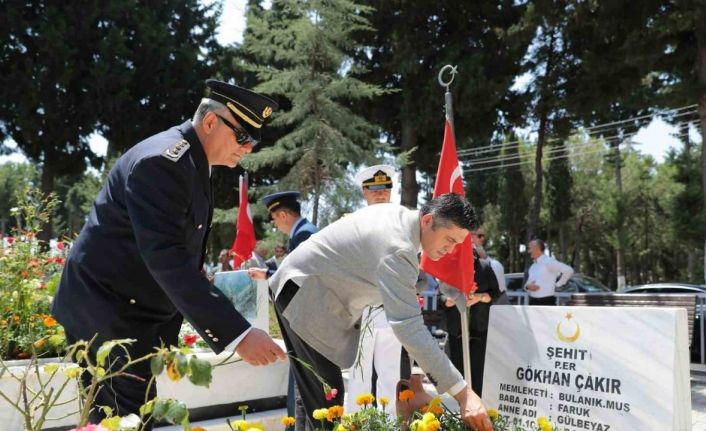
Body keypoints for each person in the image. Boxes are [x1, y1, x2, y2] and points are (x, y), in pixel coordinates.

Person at [51, 79, 286, 428]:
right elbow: (166, 256)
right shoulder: (164, 161)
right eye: (243, 137)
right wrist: (238, 334)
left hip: (122, 311)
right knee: (125, 420)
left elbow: (175, 252)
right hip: (108, 314)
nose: (249, 148)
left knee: (114, 421)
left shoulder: (189, 161)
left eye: (254, 140)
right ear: (210, 123)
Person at [270, 193, 492, 431]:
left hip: (300, 289)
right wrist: (463, 394)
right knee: (326, 400)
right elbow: (409, 328)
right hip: (305, 296)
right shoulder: (397, 246)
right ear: (428, 221)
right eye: (448, 239)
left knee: (317, 397)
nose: (449, 250)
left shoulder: (398, 218)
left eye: (457, 244)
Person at [248, 191, 318, 430]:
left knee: (308, 387)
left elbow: (303, 278)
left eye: (275, 219)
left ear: (284, 214)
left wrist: (267, 276)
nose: (275, 225)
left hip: (308, 319)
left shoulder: (304, 234)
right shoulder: (302, 233)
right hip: (306, 317)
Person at [345, 165, 404, 417]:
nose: (381, 194)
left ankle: (387, 423)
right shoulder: (350, 223)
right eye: (374, 189)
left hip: (392, 308)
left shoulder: (403, 220)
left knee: (391, 374)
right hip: (362, 309)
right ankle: (356, 422)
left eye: (385, 188)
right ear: (364, 192)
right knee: (359, 373)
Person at [441, 242, 501, 396]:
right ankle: (461, 403)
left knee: (477, 369)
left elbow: (495, 294)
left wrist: (478, 297)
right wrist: (456, 298)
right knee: (458, 369)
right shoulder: (449, 268)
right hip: (457, 328)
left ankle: (478, 401)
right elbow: (442, 299)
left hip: (479, 327)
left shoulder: (485, 267)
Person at [525, 239, 574, 305]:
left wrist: (558, 284)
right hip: (533, 302)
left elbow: (569, 270)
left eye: (530, 248)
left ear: (536, 248)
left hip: (546, 302)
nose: (528, 251)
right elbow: (527, 284)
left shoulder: (549, 261)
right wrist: (528, 287)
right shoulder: (533, 266)